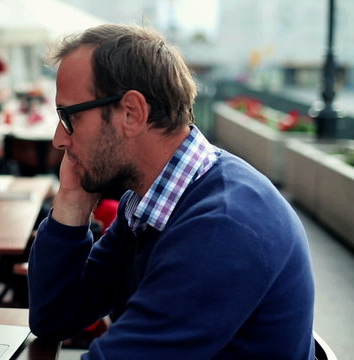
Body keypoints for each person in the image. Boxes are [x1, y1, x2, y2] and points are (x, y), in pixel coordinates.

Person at [27, 24, 315, 359]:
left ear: (132, 113)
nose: (59, 140)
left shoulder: (222, 227)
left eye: (68, 117)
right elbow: (54, 318)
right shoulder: (151, 201)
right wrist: (71, 205)